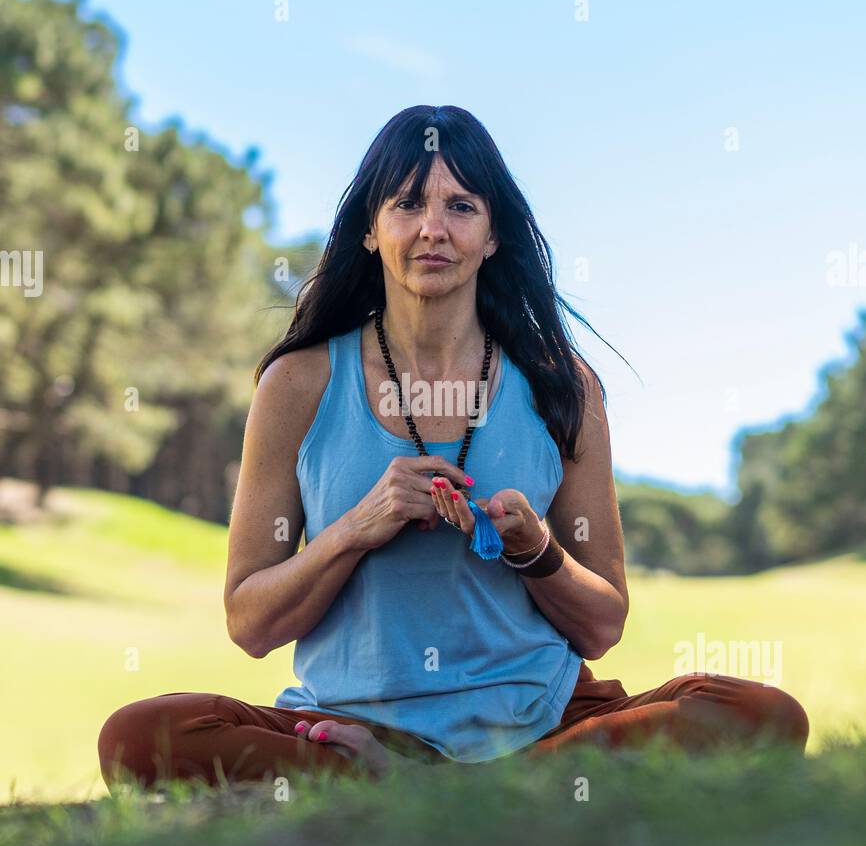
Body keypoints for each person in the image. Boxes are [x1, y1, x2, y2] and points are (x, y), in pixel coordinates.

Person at [98, 105, 809, 790]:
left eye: (461, 206)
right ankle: (450, 780)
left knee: (759, 714)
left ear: (493, 235)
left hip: (542, 718)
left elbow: (603, 624)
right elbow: (250, 623)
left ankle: (440, 787)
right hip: (350, 722)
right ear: (370, 231)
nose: (432, 229)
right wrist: (357, 528)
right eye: (407, 205)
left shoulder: (560, 384)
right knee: (138, 736)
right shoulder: (298, 383)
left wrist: (537, 550)